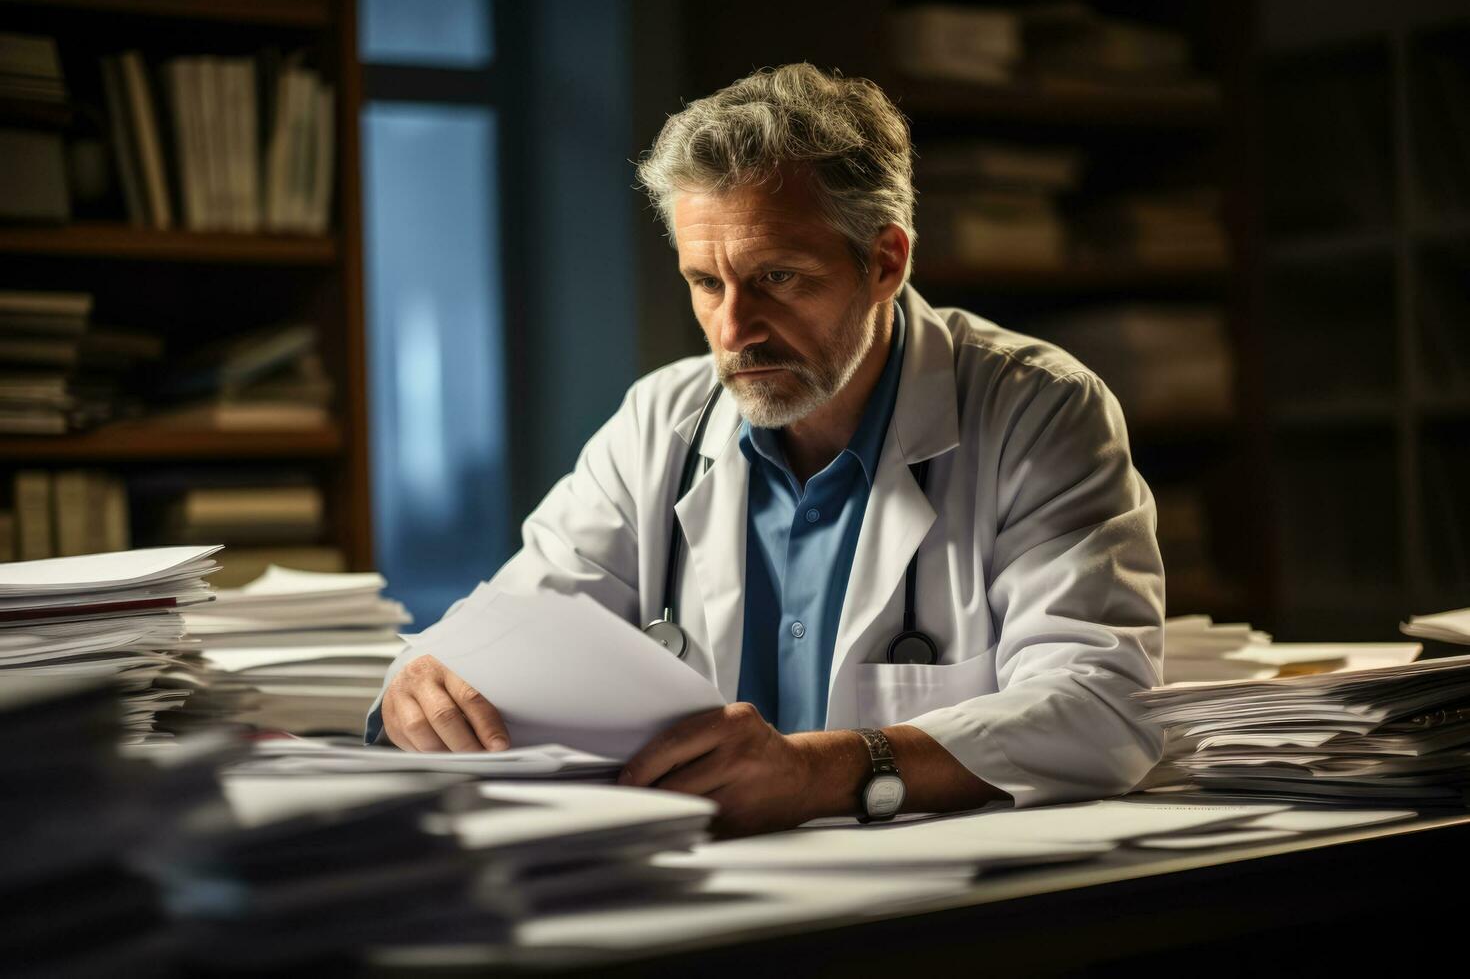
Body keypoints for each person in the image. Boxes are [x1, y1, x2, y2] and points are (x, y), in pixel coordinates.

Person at [367, 63, 1165, 837]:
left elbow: (1101, 708)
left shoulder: (1036, 409)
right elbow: (516, 629)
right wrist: (425, 685)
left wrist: (820, 773)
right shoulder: (660, 423)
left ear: (885, 261)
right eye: (706, 283)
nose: (733, 330)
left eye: (777, 277)